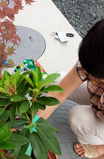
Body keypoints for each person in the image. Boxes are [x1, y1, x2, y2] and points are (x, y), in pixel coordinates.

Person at [37, 19, 104, 159]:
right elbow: (57, 93)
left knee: (79, 118)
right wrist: (32, 120)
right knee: (55, 82)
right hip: (98, 99)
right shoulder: (96, 57)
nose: (90, 76)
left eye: (97, 79)